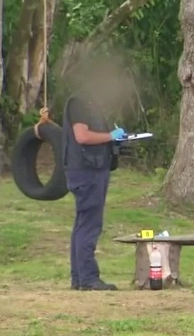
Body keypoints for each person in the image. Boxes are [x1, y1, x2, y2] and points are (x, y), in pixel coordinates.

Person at [62, 89, 126, 291]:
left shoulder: (91, 103)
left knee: (83, 223)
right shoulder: (79, 102)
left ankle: (79, 278)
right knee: (90, 224)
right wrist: (109, 136)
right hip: (87, 170)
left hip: (94, 168)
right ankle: (88, 277)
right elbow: (82, 136)